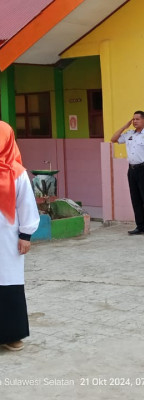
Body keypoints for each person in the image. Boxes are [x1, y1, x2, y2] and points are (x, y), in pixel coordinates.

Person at [0, 121, 40, 351]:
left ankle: (12, 334)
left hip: (7, 240)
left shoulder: (17, 173)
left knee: (8, 284)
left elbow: (27, 206)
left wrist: (26, 235)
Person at [111, 111, 144, 237]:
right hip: (132, 170)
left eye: (137, 119)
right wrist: (124, 127)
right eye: (133, 119)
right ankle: (140, 225)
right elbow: (113, 139)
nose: (135, 121)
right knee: (135, 199)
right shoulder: (129, 134)